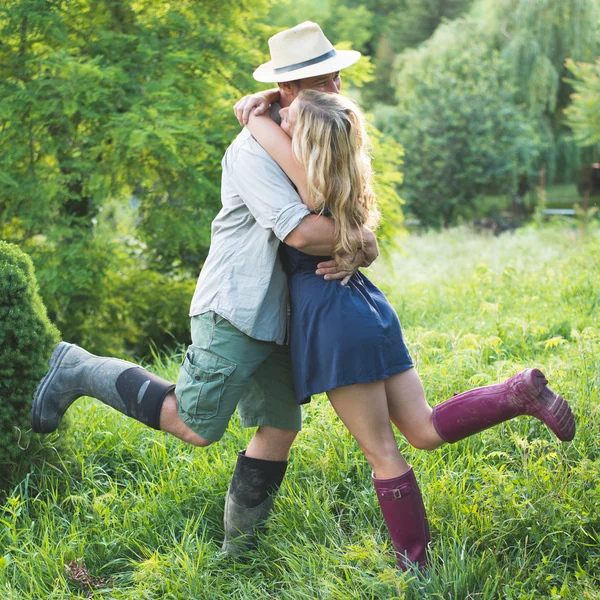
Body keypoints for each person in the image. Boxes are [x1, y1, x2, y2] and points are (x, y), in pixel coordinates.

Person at [30, 22, 376, 557]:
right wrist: (362, 239)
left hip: (283, 315)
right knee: (195, 426)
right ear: (286, 88)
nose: (333, 89)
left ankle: (237, 555)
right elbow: (302, 232)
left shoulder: (315, 133)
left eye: (333, 77)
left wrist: (361, 239)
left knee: (278, 427)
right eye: (317, 81)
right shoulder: (253, 150)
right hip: (238, 306)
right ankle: (77, 366)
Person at [235, 85, 576, 571]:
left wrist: (251, 118)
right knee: (424, 430)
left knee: (383, 454)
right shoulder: (345, 176)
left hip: (332, 319)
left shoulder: (308, 184)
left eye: (288, 117)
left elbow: (291, 167)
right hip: (365, 308)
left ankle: (414, 567)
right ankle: (515, 394)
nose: (279, 117)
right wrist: (270, 105)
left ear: (306, 143)